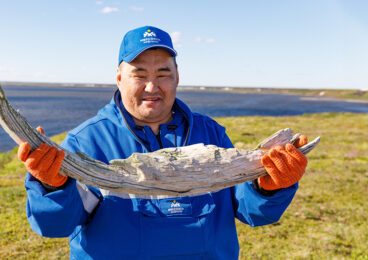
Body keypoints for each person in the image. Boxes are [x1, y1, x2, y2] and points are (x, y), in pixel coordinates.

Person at [19, 25, 309, 259]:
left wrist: (268, 187)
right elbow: (56, 225)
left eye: (163, 74)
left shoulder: (212, 134)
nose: (152, 86)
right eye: (139, 74)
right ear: (119, 78)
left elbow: (251, 211)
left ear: (177, 78)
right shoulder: (86, 141)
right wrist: (51, 188)